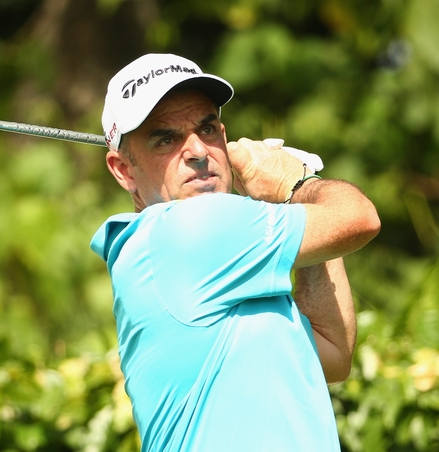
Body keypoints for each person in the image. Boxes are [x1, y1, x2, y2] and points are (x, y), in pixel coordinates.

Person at [90, 53, 380, 451]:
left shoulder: (230, 265)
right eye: (166, 138)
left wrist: (290, 204)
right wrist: (297, 184)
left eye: (207, 129)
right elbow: (359, 218)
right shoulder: (183, 231)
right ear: (124, 170)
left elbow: (332, 353)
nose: (196, 151)